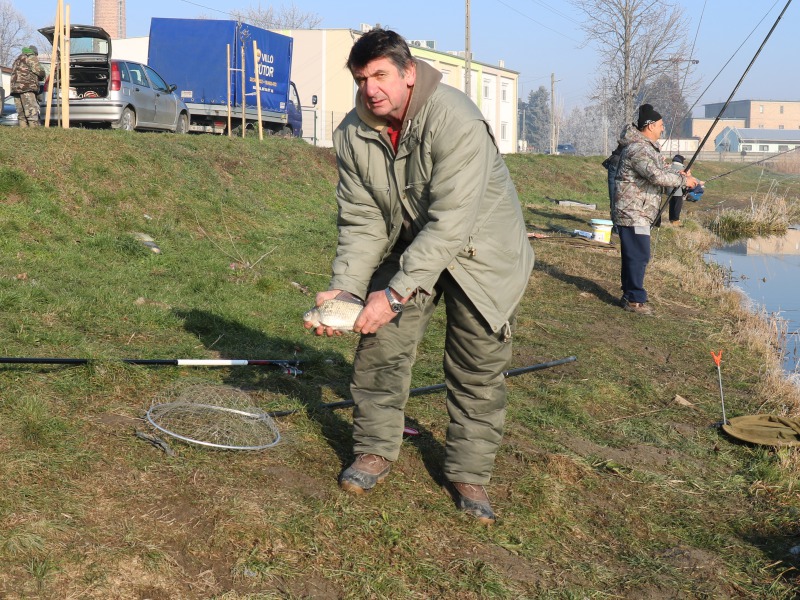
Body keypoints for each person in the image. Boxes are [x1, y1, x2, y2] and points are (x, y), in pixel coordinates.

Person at [305, 29, 535, 524]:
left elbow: (452, 222)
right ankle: (373, 449)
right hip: (412, 244)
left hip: (483, 251)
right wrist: (347, 289)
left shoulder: (456, 117)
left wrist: (391, 294)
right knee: (379, 347)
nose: (371, 89)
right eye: (361, 78)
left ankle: (469, 473)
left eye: (381, 75)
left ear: (408, 73)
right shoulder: (351, 133)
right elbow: (362, 220)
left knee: (477, 366)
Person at [612, 104, 701, 315]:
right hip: (633, 212)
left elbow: (661, 170)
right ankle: (634, 300)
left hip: (637, 211)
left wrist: (684, 177)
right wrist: (683, 181)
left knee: (634, 254)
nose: (663, 129)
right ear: (650, 126)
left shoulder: (645, 147)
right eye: (661, 125)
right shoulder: (638, 149)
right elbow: (656, 176)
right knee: (639, 255)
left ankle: (629, 294)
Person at [10, 46, 46, 128]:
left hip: (15, 88)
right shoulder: (31, 57)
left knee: (21, 112)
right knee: (31, 110)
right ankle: (34, 129)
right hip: (27, 87)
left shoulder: (17, 59)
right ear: (35, 53)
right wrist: (42, 77)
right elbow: (40, 71)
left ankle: (23, 129)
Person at [667, 154, 686, 226]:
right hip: (678, 190)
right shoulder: (681, 168)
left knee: (671, 205)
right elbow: (687, 177)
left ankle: (671, 219)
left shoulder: (669, 166)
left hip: (669, 189)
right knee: (677, 206)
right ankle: (676, 220)